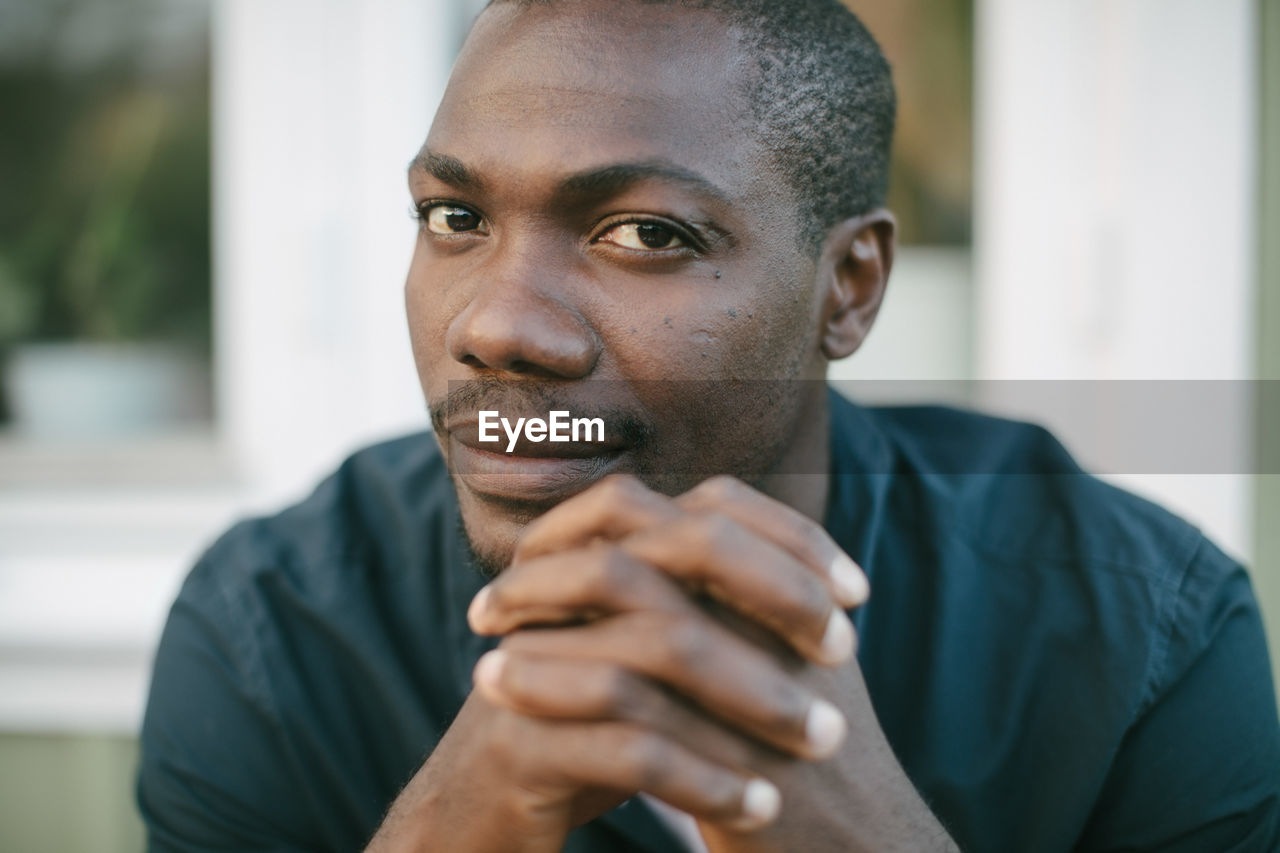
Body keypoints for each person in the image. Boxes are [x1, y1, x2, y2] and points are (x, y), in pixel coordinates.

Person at [136, 1, 1280, 851]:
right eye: (454, 216)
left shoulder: (1140, 634)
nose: (495, 326)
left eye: (646, 234)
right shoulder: (272, 634)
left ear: (848, 287)